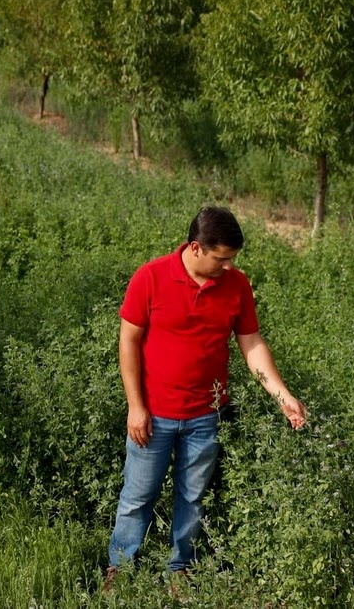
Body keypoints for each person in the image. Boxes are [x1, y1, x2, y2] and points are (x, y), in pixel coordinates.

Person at [104, 206, 307, 588]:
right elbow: (128, 341)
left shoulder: (237, 285)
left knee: (193, 498)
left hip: (205, 416)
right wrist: (136, 406)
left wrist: (283, 396)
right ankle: (121, 567)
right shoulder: (151, 277)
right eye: (221, 258)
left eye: (232, 259)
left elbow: (251, 344)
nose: (228, 267)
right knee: (137, 496)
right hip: (154, 416)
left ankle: (179, 568)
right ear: (196, 248)